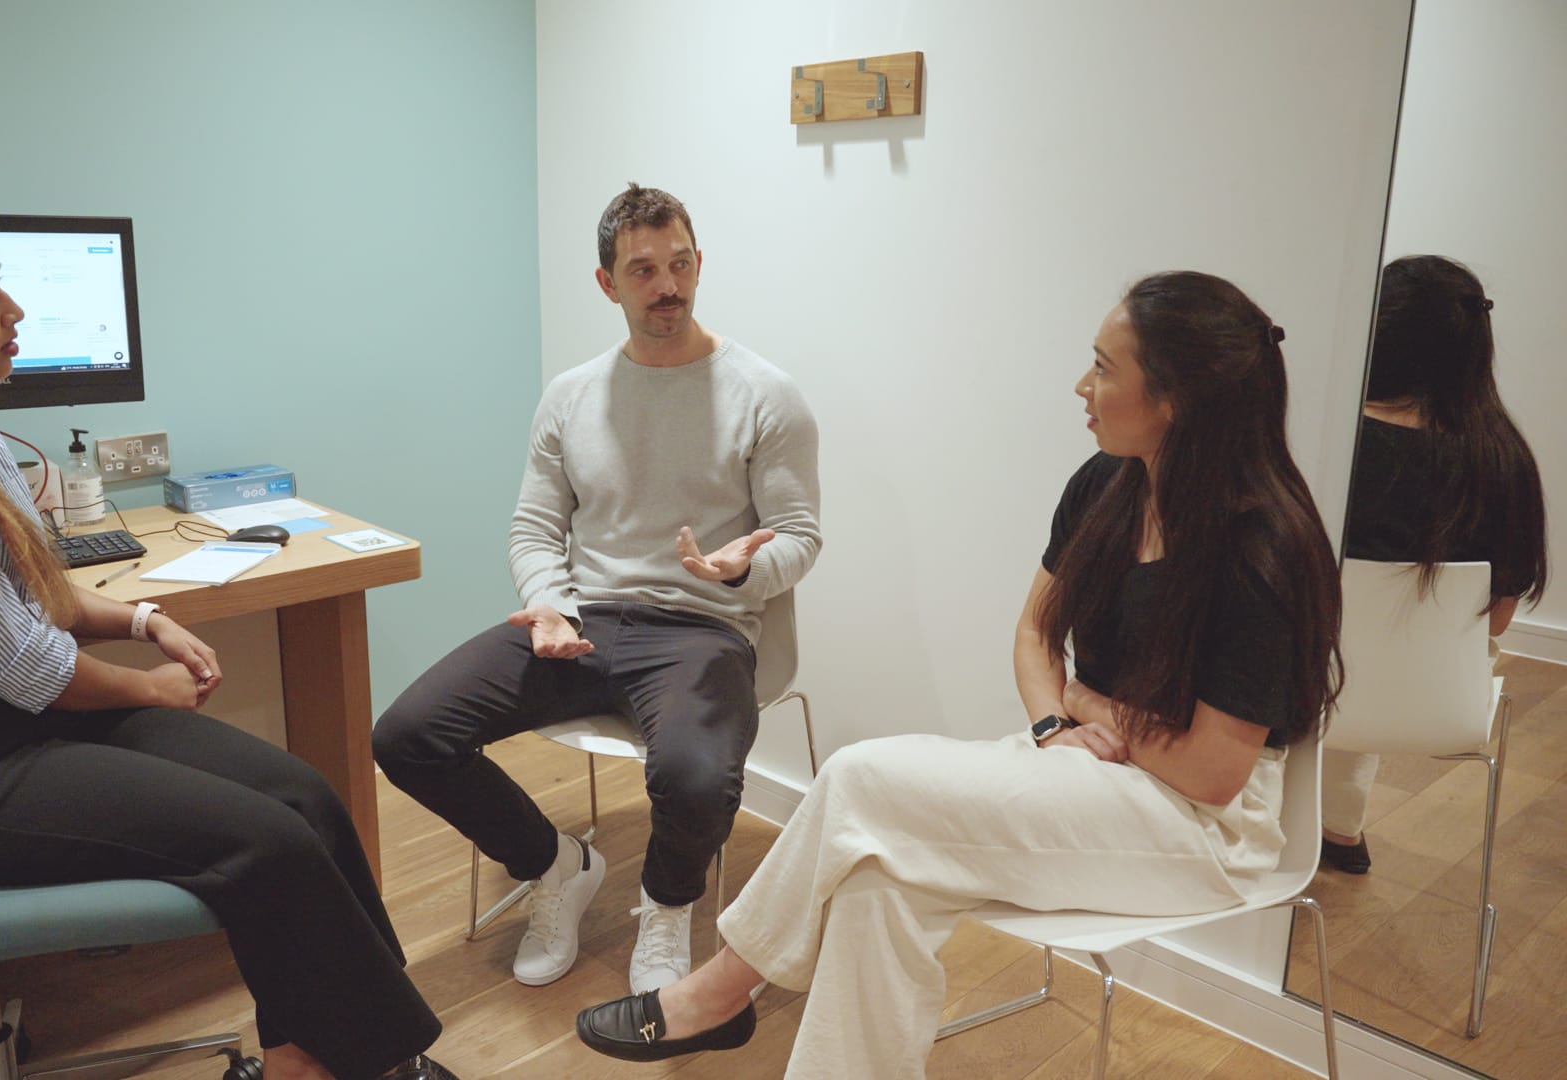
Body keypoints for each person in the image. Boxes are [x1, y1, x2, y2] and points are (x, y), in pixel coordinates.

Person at [574, 272, 1343, 1078]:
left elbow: (1214, 773)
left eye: (1105, 368)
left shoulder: (1262, 550)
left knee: (860, 779)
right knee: (876, 882)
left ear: (1174, 399)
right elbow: (1035, 630)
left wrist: (1087, 705)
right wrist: (1058, 721)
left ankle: (720, 993)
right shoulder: (1108, 486)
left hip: (1207, 830)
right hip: (1093, 761)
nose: (1083, 386)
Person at [0, 192, 457, 1080]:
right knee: (264, 842)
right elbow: (31, 667)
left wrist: (146, 619)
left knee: (304, 796)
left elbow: (36, 592)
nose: (15, 313)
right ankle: (363, 1061)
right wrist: (151, 686)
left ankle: (317, 1055)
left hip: (1, 712)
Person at [373, 183, 822, 994]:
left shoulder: (765, 395)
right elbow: (535, 528)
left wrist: (743, 567)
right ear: (607, 283)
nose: (668, 287)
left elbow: (800, 536)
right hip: (580, 619)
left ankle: (665, 909)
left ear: (699, 262)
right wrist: (547, 604)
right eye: (644, 270)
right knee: (406, 736)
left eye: (680, 264)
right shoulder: (573, 396)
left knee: (694, 775)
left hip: (700, 628)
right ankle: (556, 867)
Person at [1321, 254, 1548, 874]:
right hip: (1440, 703)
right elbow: (1496, 623)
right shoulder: (1505, 459)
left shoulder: (1327, 442)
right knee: (1375, 643)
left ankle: (1317, 825)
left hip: (1309, 694)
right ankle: (1339, 829)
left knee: (1330, 638)